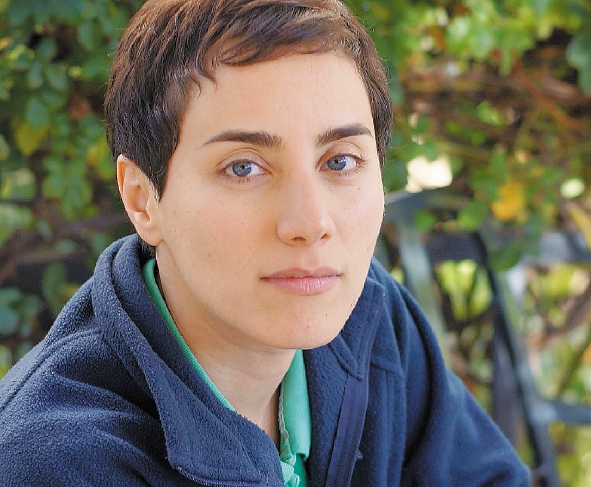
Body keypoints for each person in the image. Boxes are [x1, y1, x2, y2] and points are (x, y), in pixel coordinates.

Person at [0, 0, 531, 485]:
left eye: (340, 161)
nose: (310, 222)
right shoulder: (55, 462)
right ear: (143, 201)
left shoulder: (372, 321)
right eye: (243, 168)